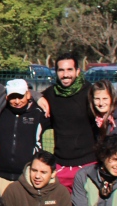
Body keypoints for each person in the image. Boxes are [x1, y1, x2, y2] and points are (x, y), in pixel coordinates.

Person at [39, 53, 98, 193]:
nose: (65, 74)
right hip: (61, 165)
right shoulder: (50, 94)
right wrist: (36, 96)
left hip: (88, 163)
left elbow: (115, 106)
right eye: (61, 70)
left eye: (69, 70)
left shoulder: (91, 92)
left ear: (78, 71)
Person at [0, 78, 49, 195]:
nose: (17, 101)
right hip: (1, 176)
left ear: (28, 94)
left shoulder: (38, 113)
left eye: (20, 96)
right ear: (7, 97)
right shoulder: (0, 112)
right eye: (13, 97)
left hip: (27, 176)